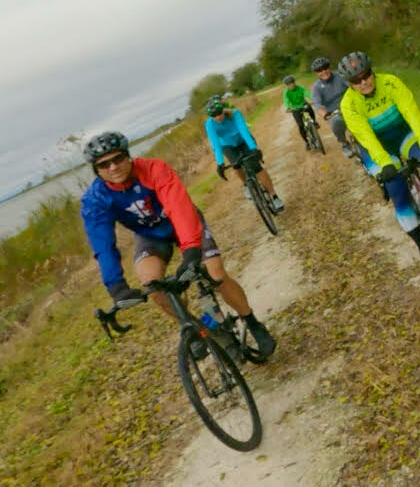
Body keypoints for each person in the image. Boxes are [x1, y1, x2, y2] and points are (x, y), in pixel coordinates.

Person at [80, 131, 276, 356]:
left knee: (215, 275)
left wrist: (191, 250)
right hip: (150, 236)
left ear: (128, 156)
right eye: (104, 164)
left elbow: (178, 207)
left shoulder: (154, 169)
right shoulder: (94, 199)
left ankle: (252, 322)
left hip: (184, 222)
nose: (113, 167)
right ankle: (200, 330)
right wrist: (116, 286)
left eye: (118, 159)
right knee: (152, 286)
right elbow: (103, 244)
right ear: (96, 169)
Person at [338, 51, 420, 266]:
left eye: (366, 75)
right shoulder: (348, 105)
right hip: (377, 149)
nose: (363, 82)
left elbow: (411, 112)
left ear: (372, 72)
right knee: (397, 192)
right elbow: (366, 138)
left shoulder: (391, 83)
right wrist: (385, 163)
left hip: (403, 135)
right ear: (349, 84)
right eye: (356, 80)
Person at [204, 97, 285, 211]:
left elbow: (244, 131)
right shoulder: (209, 124)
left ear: (223, 110)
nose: (218, 117)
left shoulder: (235, 114)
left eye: (219, 113)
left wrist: (254, 148)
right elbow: (216, 145)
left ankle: (275, 196)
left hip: (243, 140)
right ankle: (246, 185)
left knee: (256, 168)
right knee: (235, 165)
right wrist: (220, 163)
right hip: (228, 145)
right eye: (214, 116)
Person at [310, 56, 353, 158]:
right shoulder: (316, 87)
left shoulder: (340, 75)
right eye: (320, 70)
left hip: (350, 106)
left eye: (325, 68)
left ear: (329, 68)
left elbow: (352, 86)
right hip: (334, 113)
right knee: (336, 121)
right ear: (316, 73)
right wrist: (325, 114)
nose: (323, 71)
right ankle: (344, 143)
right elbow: (317, 104)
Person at [282, 74, 319, 150]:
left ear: (294, 82)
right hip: (295, 108)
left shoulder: (300, 87)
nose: (291, 85)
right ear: (286, 85)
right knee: (301, 126)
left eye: (292, 83)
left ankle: (314, 122)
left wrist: (312, 99)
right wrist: (288, 108)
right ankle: (307, 142)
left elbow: (307, 93)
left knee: (310, 109)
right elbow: (286, 101)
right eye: (289, 84)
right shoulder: (286, 92)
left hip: (303, 104)